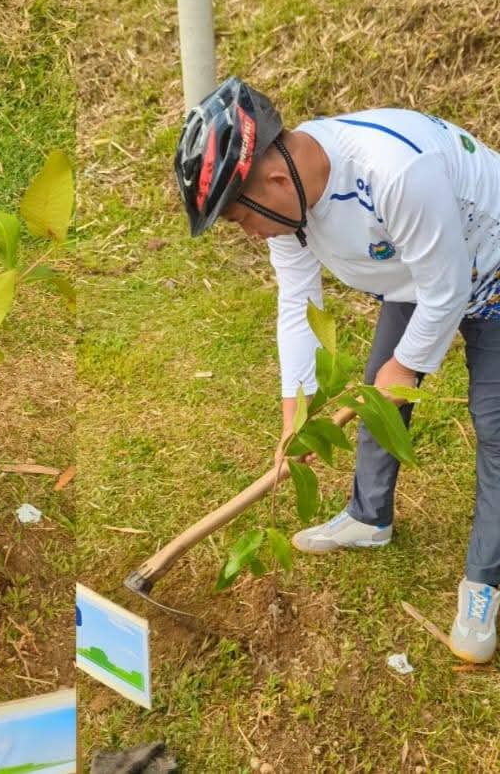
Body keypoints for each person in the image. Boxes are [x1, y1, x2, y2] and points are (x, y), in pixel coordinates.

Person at [175, 76, 500, 663]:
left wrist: (406, 367)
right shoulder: (289, 204)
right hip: (420, 269)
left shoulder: (394, 172)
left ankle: (485, 582)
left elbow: (448, 293)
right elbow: (297, 305)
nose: (248, 234)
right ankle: (368, 518)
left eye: (239, 220)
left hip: (489, 265)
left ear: (274, 179)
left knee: (494, 427)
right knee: (377, 391)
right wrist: (296, 414)